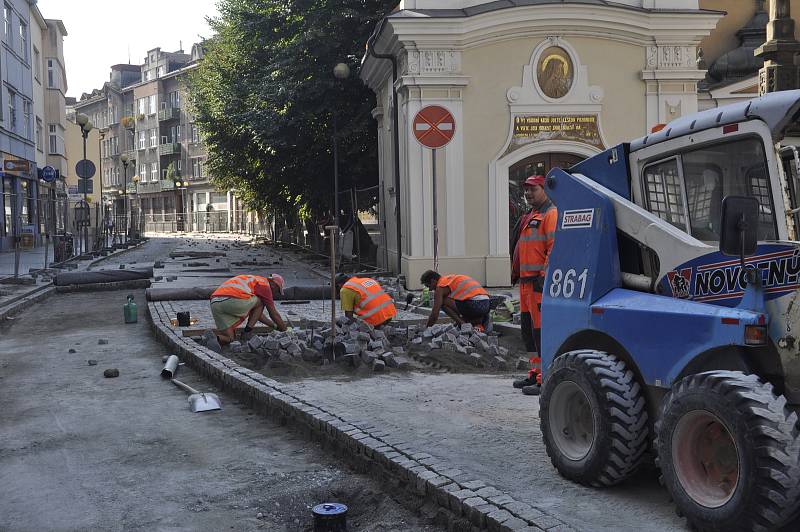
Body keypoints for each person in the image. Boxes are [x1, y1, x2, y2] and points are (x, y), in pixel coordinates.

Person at [511, 175, 557, 395]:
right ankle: (534, 373)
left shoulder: (551, 214)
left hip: (538, 283)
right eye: (526, 190)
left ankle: (543, 380)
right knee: (528, 332)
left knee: (540, 332)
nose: (528, 193)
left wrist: (543, 277)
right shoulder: (531, 215)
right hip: (525, 283)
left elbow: (553, 247)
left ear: (545, 189)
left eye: (533, 189)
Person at [203, 274, 288, 352]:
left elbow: (258, 315)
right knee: (261, 301)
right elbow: (273, 314)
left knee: (230, 338)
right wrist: (285, 330)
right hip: (231, 300)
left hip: (215, 303)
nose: (275, 293)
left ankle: (213, 339)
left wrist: (275, 326)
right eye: (277, 291)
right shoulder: (265, 285)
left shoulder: (253, 281)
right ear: (274, 284)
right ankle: (247, 331)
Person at [420, 270, 492, 331]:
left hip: (475, 305)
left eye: (428, 286)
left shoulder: (440, 287)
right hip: (487, 305)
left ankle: (463, 325)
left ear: (433, 281)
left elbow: (434, 315)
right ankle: (478, 321)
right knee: (461, 310)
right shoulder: (449, 279)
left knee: (443, 302)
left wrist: (427, 329)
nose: (430, 289)